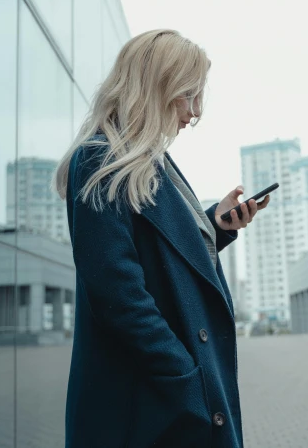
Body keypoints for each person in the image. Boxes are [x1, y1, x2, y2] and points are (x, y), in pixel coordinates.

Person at [54, 29, 269, 448]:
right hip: (144, 406)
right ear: (155, 87)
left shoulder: (148, 161)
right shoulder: (103, 160)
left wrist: (214, 226)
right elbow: (120, 298)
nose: (195, 112)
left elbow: (157, 252)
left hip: (162, 398)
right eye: (188, 95)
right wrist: (185, 377)